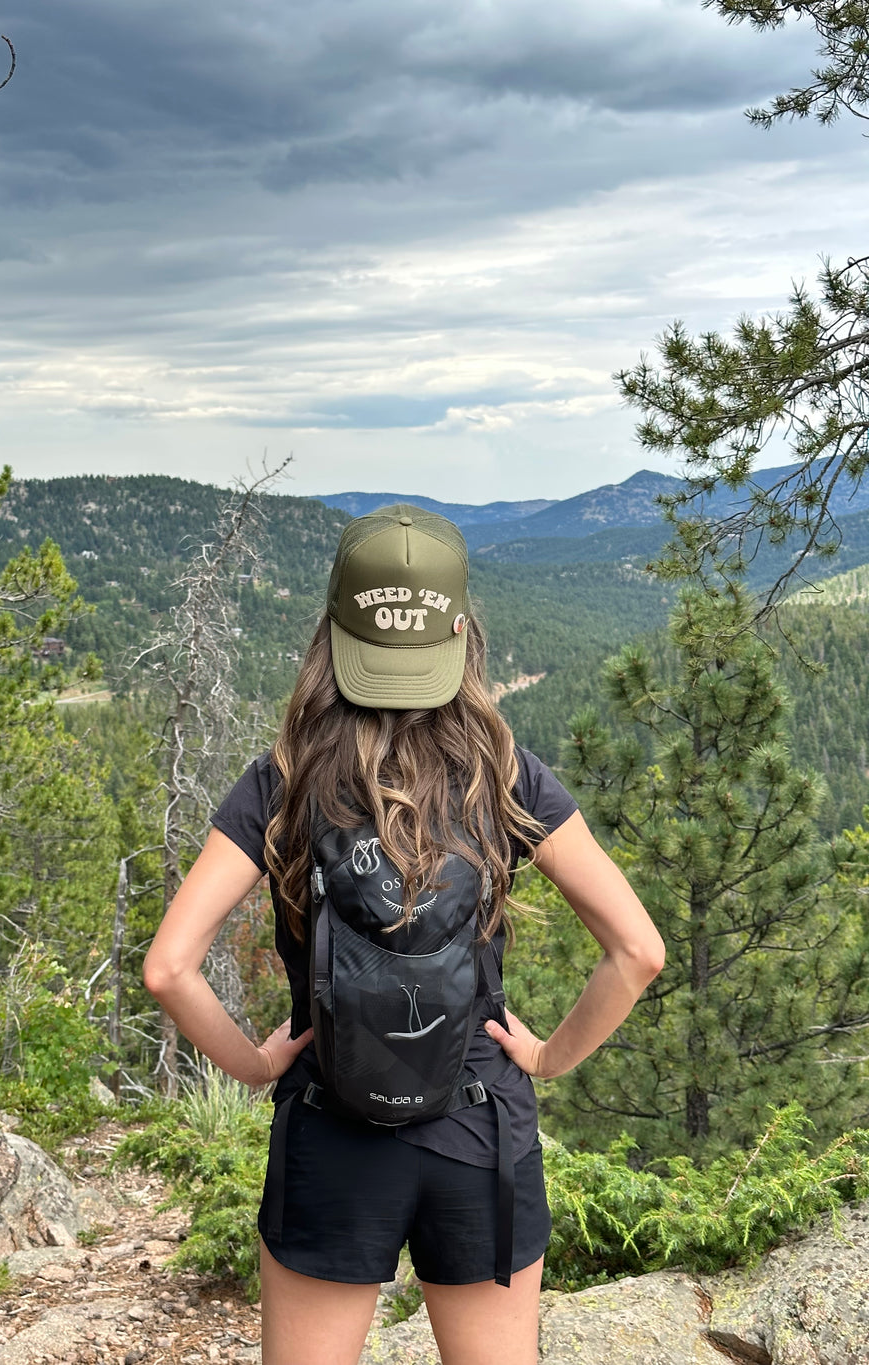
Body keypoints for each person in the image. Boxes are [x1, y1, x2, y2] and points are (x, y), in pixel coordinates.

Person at [143, 504, 664, 1365]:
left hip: (330, 1123)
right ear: (460, 634)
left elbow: (169, 967)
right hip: (479, 1127)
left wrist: (257, 1061)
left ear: (336, 632)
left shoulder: (282, 779)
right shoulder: (507, 775)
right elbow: (637, 950)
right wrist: (546, 1058)